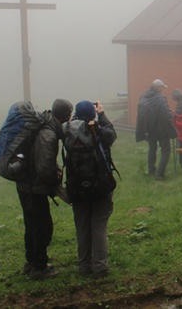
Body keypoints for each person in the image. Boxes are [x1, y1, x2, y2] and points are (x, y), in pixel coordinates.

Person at [18, 98, 72, 280]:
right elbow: (44, 168)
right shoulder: (48, 134)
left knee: (31, 224)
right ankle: (39, 267)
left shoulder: (44, 124)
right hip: (35, 188)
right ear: (66, 115)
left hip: (25, 184)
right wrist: (56, 177)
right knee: (42, 227)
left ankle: (31, 261)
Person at [63, 100, 117, 278]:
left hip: (77, 187)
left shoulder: (66, 130)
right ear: (92, 113)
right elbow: (112, 135)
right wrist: (101, 114)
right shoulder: (97, 129)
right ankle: (100, 266)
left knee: (82, 226)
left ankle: (84, 265)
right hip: (101, 186)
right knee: (98, 226)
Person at [135, 79, 175, 179]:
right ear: (157, 88)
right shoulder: (161, 99)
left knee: (152, 149)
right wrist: (172, 114)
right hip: (161, 129)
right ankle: (159, 174)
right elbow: (166, 114)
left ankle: (151, 170)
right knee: (166, 150)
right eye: (162, 87)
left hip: (148, 128)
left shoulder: (143, 97)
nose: (162, 89)